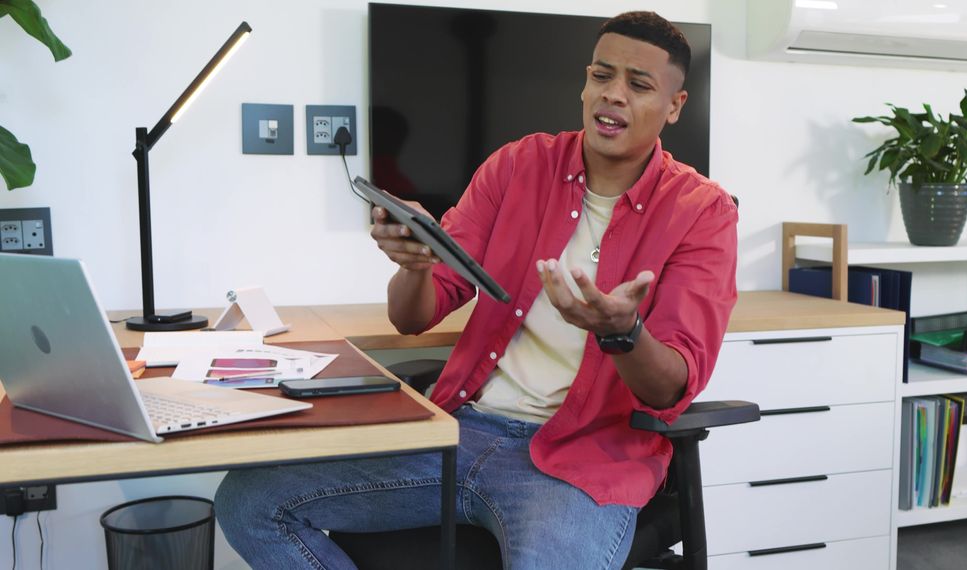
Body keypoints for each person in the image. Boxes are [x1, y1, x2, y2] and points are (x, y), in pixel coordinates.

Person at [215, 11, 737, 569]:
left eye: (639, 84)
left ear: (675, 106)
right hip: (460, 431)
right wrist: (415, 264)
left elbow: (671, 386)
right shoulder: (517, 165)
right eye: (601, 75)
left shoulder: (702, 212)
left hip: (581, 462)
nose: (612, 94)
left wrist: (622, 332)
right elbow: (412, 317)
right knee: (249, 502)